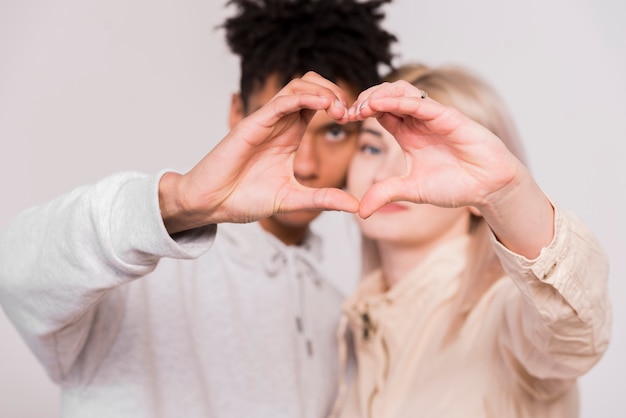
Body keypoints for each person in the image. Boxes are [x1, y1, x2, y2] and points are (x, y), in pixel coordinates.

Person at [0, 1, 396, 417]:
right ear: (237, 114)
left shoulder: (340, 314)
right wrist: (177, 203)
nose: (305, 162)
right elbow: (15, 271)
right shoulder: (131, 269)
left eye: (334, 131)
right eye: (283, 122)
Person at [328, 64, 611, 418]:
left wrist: (507, 194)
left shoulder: (507, 318)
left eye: (426, 151)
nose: (385, 175)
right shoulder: (348, 328)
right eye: (371, 148)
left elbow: (574, 333)